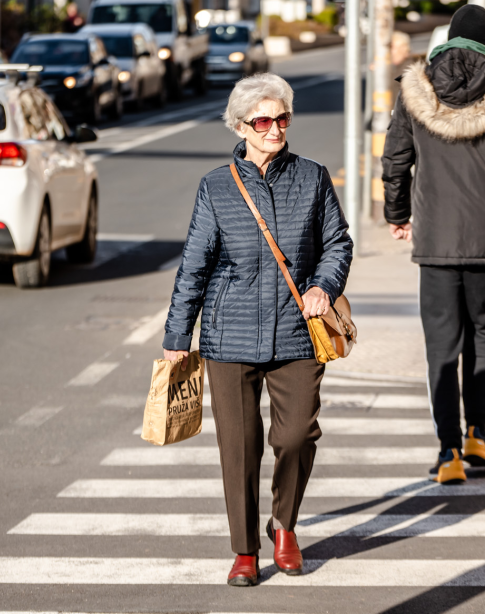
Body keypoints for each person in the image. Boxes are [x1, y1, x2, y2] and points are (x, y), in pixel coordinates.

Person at [162, 73, 353, 587]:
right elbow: (194, 267)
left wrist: (323, 287)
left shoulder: (312, 177)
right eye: (263, 121)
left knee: (295, 436)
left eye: (282, 118)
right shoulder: (217, 186)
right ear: (241, 126)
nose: (275, 129)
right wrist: (177, 339)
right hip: (230, 336)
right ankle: (245, 550)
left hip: (298, 331)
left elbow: (338, 242)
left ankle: (284, 524)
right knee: (239, 448)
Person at [382, 4, 485, 485]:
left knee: (441, 342)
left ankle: (449, 450)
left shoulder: (417, 89)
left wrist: (398, 213)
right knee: (483, 331)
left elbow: (395, 159)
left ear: (449, 39)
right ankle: (478, 433)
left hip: (435, 235)